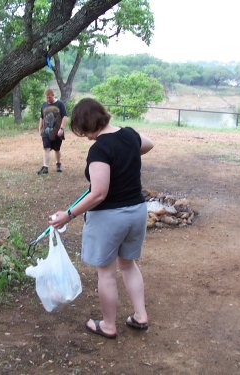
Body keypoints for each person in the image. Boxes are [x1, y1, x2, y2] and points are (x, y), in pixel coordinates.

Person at [49, 98, 154, 339]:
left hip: (110, 218)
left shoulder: (100, 149)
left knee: (106, 273)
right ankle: (140, 316)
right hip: (136, 212)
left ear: (88, 124)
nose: (85, 136)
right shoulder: (129, 134)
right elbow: (148, 144)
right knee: (128, 265)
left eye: (83, 130)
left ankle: (108, 325)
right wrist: (127, 154)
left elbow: (98, 193)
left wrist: (68, 215)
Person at [37, 88, 68, 174]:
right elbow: (41, 117)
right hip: (46, 132)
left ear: (53, 95)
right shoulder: (44, 105)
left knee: (57, 149)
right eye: (47, 97)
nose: (48, 99)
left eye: (49, 97)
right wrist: (40, 128)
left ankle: (58, 164)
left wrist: (61, 128)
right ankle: (45, 167)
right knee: (46, 148)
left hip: (57, 131)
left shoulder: (60, 104)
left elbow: (64, 117)